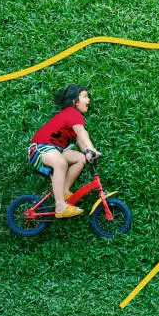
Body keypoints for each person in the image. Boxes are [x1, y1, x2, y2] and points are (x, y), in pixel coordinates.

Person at [28, 84, 100, 218]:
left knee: (80, 158)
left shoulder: (74, 117)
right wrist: (91, 148)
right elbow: (82, 133)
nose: (88, 100)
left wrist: (87, 152)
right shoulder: (72, 113)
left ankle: (64, 191)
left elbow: (80, 139)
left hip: (55, 150)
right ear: (74, 101)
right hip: (40, 148)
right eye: (85, 96)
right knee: (60, 163)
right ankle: (60, 206)